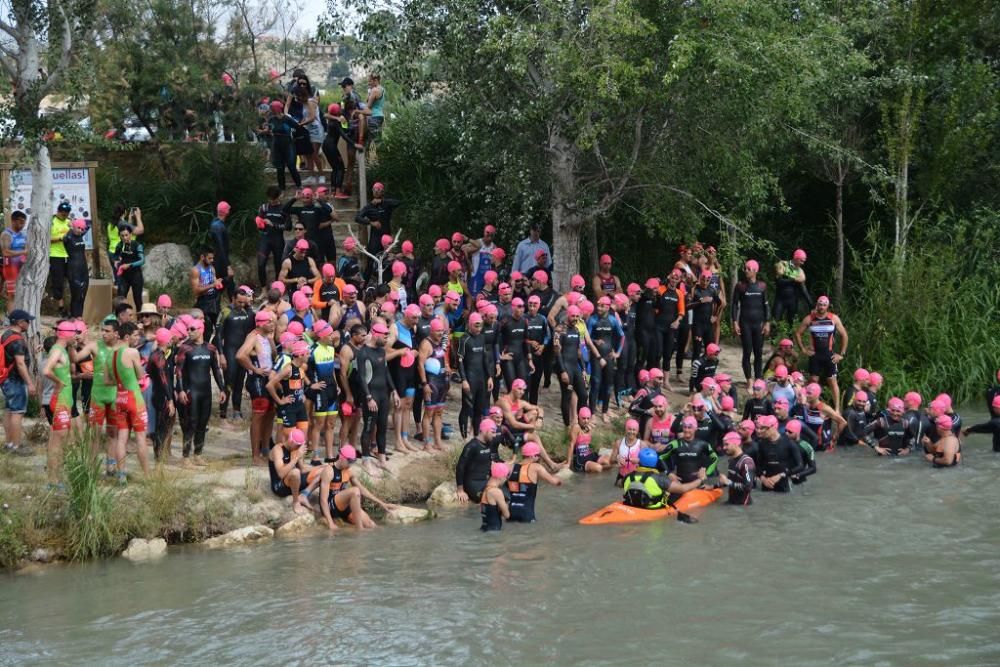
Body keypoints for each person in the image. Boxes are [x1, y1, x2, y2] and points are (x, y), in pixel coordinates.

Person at [176, 319, 227, 467]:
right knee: (191, 423)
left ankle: (198, 454)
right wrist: (180, 390)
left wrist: (222, 389)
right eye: (188, 329)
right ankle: (185, 457)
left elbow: (216, 370)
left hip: (206, 392)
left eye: (192, 329)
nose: (189, 332)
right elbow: (178, 371)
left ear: (201, 329)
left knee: (202, 423)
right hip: (191, 391)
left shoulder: (210, 348)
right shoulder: (185, 348)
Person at [107, 322, 151, 481]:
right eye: (135, 335)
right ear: (126, 337)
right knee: (140, 438)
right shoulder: (132, 352)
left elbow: (108, 380)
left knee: (122, 438)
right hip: (134, 398)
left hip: (119, 398)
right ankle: (147, 476)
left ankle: (121, 475)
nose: (137, 338)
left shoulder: (112, 354)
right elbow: (141, 375)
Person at [317, 444, 397, 531]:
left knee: (371, 524)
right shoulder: (329, 471)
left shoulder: (348, 472)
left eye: (353, 462)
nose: (350, 465)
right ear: (341, 457)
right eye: (349, 461)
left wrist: (382, 504)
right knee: (354, 491)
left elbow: (363, 490)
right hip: (331, 507)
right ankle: (360, 529)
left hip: (344, 507)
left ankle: (362, 529)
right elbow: (323, 500)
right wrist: (330, 523)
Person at [356, 321, 399, 471]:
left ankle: (382, 459)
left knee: (382, 427)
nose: (387, 340)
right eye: (385, 337)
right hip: (371, 396)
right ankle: (366, 460)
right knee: (368, 428)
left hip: (383, 395)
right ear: (376, 335)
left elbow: (386, 372)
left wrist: (394, 391)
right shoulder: (363, 353)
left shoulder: (381, 351)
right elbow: (361, 378)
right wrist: (368, 398)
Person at [795, 295, 848, 413]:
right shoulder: (810, 318)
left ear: (827, 306)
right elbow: (798, 333)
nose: (822, 307)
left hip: (829, 355)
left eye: (824, 305)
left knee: (832, 381)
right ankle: (813, 406)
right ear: (816, 305)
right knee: (813, 380)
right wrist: (803, 349)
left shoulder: (833, 318)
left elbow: (844, 335)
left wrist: (841, 354)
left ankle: (837, 409)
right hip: (815, 356)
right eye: (820, 304)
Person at [237, 309, 277, 465]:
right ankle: (255, 456)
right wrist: (254, 370)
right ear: (261, 323)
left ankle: (265, 450)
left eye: (273, 321)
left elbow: (273, 355)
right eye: (269, 322)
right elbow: (240, 355)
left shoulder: (265, 336)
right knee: (259, 416)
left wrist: (272, 339)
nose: (273, 324)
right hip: (257, 381)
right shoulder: (253, 337)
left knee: (271, 412)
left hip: (267, 380)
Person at [622, 448, 706, 512]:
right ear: (655, 462)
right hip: (652, 509)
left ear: (639, 461)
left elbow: (619, 483)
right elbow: (682, 489)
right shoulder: (659, 478)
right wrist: (700, 479)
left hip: (631, 505)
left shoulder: (627, 477)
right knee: (676, 491)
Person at [216, 285, 255, 422]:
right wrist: (221, 355)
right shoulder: (226, 312)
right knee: (229, 381)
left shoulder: (246, 312)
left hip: (242, 352)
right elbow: (218, 335)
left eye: (243, 302)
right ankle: (223, 410)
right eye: (239, 302)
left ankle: (237, 410)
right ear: (233, 298)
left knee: (239, 381)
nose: (241, 305)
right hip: (229, 352)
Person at [731, 259, 771, 386]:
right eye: (745, 268)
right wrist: (735, 322)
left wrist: (767, 322)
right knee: (747, 351)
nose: (746, 271)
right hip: (745, 323)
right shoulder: (740, 286)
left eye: (748, 269)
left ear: (755, 270)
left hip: (758, 324)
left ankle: (758, 379)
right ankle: (749, 380)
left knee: (758, 352)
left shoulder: (762, 286)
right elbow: (734, 305)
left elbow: (766, 305)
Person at [2, 310, 35, 454]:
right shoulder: (17, 340)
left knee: (9, 411)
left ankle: (9, 444)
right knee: (17, 412)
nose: (29, 323)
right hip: (16, 380)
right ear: (20, 322)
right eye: (28, 321)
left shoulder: (6, 335)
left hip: (6, 379)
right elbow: (20, 364)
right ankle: (16, 446)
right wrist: (30, 383)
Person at [506, 442, 562, 523]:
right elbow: (555, 482)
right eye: (538, 455)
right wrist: (562, 477)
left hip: (510, 513)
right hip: (526, 514)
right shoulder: (536, 468)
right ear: (532, 456)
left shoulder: (511, 467)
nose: (539, 458)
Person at [355, 182, 402, 279]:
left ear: (382, 191)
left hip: (387, 238)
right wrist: (370, 223)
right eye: (374, 189)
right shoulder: (369, 207)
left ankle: (386, 283)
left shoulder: (387, 204)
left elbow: (399, 202)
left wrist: (382, 201)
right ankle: (364, 284)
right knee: (371, 261)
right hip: (375, 239)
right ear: (372, 191)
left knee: (388, 260)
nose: (376, 191)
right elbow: (357, 218)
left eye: (378, 189)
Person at [267, 427, 313, 513]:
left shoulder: (295, 449)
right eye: (298, 445)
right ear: (291, 442)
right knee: (295, 472)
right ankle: (295, 502)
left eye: (300, 446)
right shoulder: (278, 450)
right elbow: (281, 474)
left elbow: (302, 469)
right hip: (280, 486)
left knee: (321, 471)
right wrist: (295, 458)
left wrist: (321, 467)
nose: (299, 448)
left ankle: (304, 495)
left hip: (294, 483)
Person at [146, 327, 175, 461]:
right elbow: (164, 380)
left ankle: (159, 456)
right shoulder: (160, 357)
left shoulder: (154, 355)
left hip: (155, 393)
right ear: (167, 341)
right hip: (162, 396)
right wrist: (170, 400)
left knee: (159, 426)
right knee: (162, 428)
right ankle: (159, 458)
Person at [756, 415, 804, 493]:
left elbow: (800, 466)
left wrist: (781, 475)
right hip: (766, 485)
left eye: (765, 428)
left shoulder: (789, 443)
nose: (762, 431)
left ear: (774, 427)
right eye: (762, 428)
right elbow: (757, 466)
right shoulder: (762, 444)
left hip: (783, 486)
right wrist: (763, 479)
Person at [456, 419, 500, 503]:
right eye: (493, 432)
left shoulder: (489, 443)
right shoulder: (472, 446)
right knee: (494, 499)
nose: (494, 435)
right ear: (484, 431)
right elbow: (460, 467)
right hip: (473, 484)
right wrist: (460, 490)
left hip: (486, 481)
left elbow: (491, 462)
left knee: (507, 496)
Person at [265, 100, 302, 191]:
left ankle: (299, 185)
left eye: (272, 108)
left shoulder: (287, 119)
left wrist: (295, 137)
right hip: (276, 143)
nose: (271, 110)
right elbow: (269, 129)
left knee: (291, 165)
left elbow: (297, 127)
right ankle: (282, 188)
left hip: (287, 142)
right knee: (279, 167)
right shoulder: (271, 119)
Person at [191, 248, 222, 343]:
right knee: (207, 329)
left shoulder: (211, 268)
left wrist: (218, 284)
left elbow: (215, 282)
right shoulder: (196, 270)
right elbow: (196, 291)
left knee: (220, 326)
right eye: (210, 258)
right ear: (202, 257)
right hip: (203, 301)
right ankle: (204, 346)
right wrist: (212, 285)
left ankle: (216, 347)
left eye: (213, 258)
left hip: (214, 299)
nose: (212, 260)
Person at [566, 407, 612, 472]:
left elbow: (587, 443)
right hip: (581, 459)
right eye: (583, 418)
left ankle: (599, 467)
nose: (586, 421)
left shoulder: (588, 428)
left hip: (589, 454)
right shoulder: (576, 427)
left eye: (588, 418)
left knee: (610, 462)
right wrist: (568, 463)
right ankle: (598, 467)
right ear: (579, 417)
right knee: (598, 468)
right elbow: (571, 445)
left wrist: (588, 430)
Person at [773, 249, 810, 327]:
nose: (803, 263)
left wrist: (811, 304)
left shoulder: (800, 271)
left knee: (791, 325)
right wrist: (794, 279)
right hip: (780, 300)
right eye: (801, 261)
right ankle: (773, 339)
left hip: (792, 301)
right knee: (775, 323)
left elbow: (803, 286)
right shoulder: (783, 264)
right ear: (796, 258)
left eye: (804, 261)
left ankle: (790, 339)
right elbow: (778, 282)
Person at [48, 200, 73, 315]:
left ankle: (73, 307)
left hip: (70, 256)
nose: (64, 214)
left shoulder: (70, 222)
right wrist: (60, 238)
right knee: (58, 282)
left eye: (67, 212)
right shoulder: (51, 221)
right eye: (62, 212)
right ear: (58, 211)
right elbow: (46, 239)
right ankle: (61, 308)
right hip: (55, 255)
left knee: (73, 281)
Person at [112, 224, 145, 308]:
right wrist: (116, 261)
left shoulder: (137, 245)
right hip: (124, 276)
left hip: (136, 275)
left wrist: (130, 265)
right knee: (121, 300)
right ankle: (121, 319)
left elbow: (142, 260)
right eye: (122, 236)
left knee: (138, 300)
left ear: (130, 234)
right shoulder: (119, 245)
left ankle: (140, 320)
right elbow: (115, 256)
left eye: (126, 235)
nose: (124, 238)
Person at [718, 431, 755, 505]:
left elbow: (748, 487)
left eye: (726, 444)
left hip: (743, 506)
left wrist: (727, 482)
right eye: (724, 445)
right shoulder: (732, 460)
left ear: (736, 444)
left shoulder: (746, 462)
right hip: (731, 502)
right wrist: (711, 487)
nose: (724, 447)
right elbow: (730, 481)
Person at [63, 218, 90, 318]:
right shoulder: (68, 237)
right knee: (76, 294)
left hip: (83, 269)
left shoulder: (81, 235)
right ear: (73, 227)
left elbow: (89, 223)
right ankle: (74, 317)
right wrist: (70, 224)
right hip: (73, 269)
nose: (80, 230)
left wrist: (79, 224)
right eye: (78, 228)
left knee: (83, 294)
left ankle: (80, 317)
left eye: (82, 229)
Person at [1, 211, 27, 313]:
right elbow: (5, 252)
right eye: (20, 222)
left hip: (22, 267)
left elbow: (27, 250)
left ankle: (18, 317)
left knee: (21, 294)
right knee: (12, 294)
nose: (22, 225)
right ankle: (11, 320)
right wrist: (23, 252)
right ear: (13, 221)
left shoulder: (23, 235)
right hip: (10, 267)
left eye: (24, 222)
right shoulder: (6, 234)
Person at [210, 201, 235, 301]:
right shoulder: (218, 226)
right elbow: (220, 247)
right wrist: (228, 266)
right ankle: (234, 306)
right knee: (226, 283)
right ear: (226, 212)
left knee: (227, 284)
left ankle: (231, 304)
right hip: (220, 260)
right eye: (228, 209)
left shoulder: (215, 223)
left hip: (218, 259)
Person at [480, 461, 511, 532]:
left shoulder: (485, 489)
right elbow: (507, 515)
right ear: (501, 477)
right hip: (494, 531)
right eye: (506, 476)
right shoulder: (496, 492)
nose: (506, 479)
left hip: (484, 529)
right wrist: (506, 504)